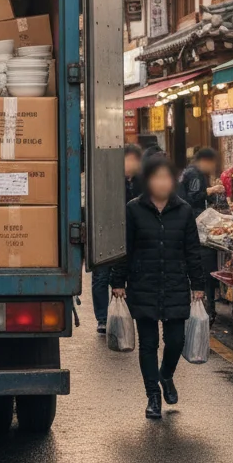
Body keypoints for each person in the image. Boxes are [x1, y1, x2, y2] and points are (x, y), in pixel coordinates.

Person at [111, 154, 206, 420]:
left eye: (166, 177)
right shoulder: (133, 209)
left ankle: (166, 375)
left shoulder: (184, 210)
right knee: (148, 343)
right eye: (156, 177)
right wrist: (118, 281)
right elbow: (124, 250)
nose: (162, 182)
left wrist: (198, 284)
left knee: (176, 340)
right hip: (144, 283)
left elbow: (192, 251)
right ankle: (153, 396)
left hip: (175, 282)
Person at [92, 143, 143, 334]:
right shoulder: (107, 179)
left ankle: (125, 313)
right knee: (102, 276)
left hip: (130, 235)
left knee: (128, 274)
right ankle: (103, 318)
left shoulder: (141, 182)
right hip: (105, 234)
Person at [177, 146, 223, 215]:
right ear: (204, 161)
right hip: (189, 214)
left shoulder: (197, 172)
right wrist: (211, 190)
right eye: (212, 163)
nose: (213, 166)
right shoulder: (194, 174)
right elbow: (193, 198)